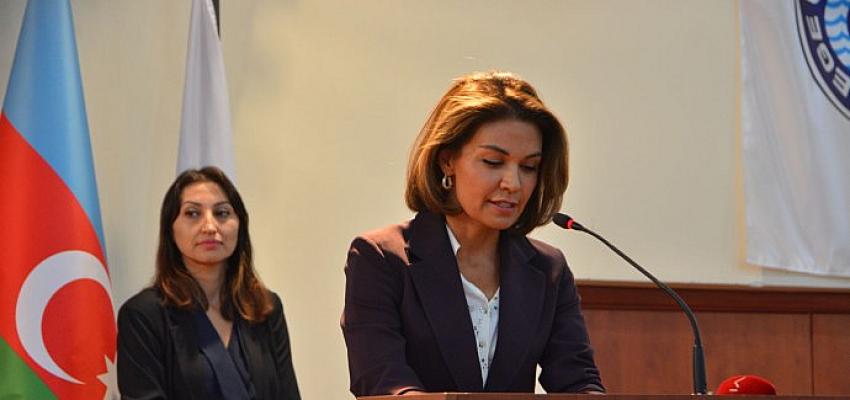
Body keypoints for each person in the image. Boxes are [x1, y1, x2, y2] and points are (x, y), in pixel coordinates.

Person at [341, 71, 604, 396]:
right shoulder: (380, 258)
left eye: (529, 167)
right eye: (493, 162)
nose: (513, 183)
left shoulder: (548, 268)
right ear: (447, 161)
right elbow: (384, 383)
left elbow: (578, 382)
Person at [117, 167, 300, 400]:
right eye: (193, 213)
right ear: (171, 229)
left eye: (222, 213)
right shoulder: (143, 316)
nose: (210, 227)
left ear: (240, 225)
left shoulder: (265, 307)